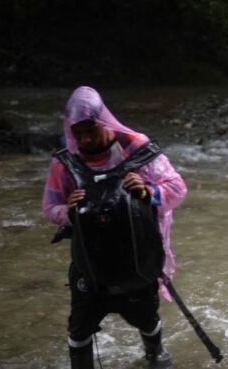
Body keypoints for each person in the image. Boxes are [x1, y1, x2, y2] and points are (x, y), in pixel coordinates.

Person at [42, 86, 187, 369]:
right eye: (78, 132)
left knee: (146, 317)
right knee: (80, 327)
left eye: (90, 131)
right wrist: (68, 212)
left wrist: (147, 192)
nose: (84, 139)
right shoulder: (65, 163)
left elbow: (177, 189)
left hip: (136, 257)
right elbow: (50, 208)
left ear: (104, 122)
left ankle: (155, 354)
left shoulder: (137, 147)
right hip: (91, 266)